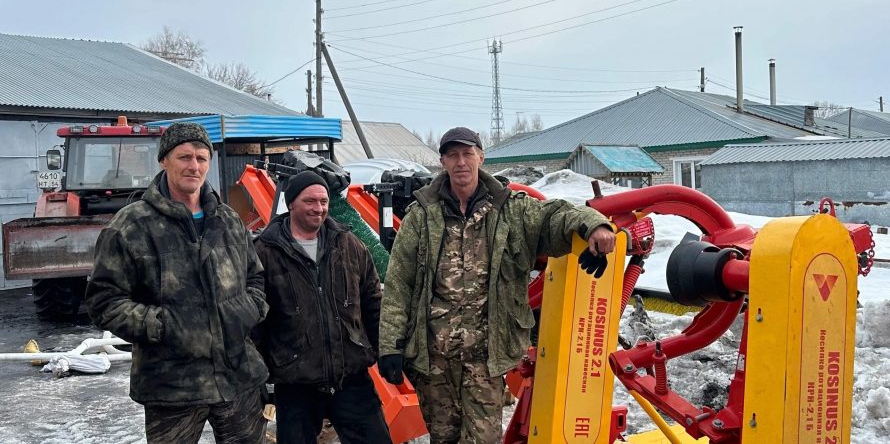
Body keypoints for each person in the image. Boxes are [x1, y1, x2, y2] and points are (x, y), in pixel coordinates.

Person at [377, 126, 615, 444]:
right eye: (453, 155)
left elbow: (556, 215)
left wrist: (594, 226)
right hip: (434, 360)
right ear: (443, 162)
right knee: (443, 438)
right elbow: (398, 285)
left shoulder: (511, 209)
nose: (461, 162)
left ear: (480, 157)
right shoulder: (421, 216)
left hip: (484, 359)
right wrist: (390, 347)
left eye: (467, 153)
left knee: (483, 439)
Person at [85, 122, 269, 444]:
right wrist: (164, 326)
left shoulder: (227, 220)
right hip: (171, 384)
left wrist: (247, 310)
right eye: (184, 157)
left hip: (237, 375)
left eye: (201, 158)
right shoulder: (130, 226)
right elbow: (104, 301)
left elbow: (255, 277)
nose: (194, 166)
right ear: (164, 161)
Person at [253, 170, 392, 444]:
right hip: (295, 382)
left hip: (350, 376)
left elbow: (373, 302)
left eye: (323, 201)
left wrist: (385, 350)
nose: (319, 208)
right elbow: (255, 321)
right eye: (310, 201)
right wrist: (258, 376)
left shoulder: (349, 245)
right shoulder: (264, 252)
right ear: (291, 203)